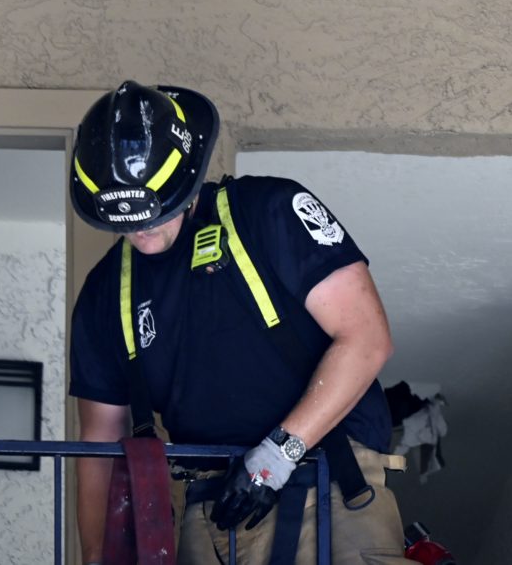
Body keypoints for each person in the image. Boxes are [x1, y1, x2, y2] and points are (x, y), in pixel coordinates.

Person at [69, 80, 410, 564]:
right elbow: (101, 440)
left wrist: (276, 456)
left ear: (186, 179)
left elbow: (367, 338)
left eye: (155, 211)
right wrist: (95, 558)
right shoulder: (106, 292)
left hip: (328, 486)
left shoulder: (267, 212)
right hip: (209, 512)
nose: (140, 230)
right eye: (123, 221)